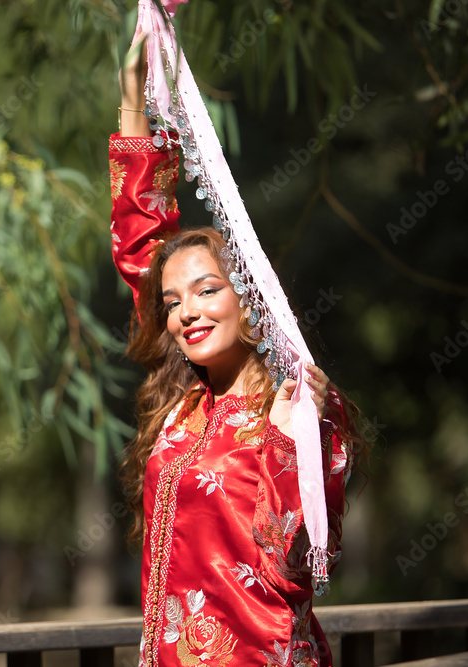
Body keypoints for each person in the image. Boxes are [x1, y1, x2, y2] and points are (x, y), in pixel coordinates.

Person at [112, 35, 366, 667]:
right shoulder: (182, 405)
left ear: (251, 300)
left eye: (206, 291)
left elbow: (299, 569)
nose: (185, 312)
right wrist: (132, 95)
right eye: (173, 303)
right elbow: (144, 242)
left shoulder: (302, 406)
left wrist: (288, 443)